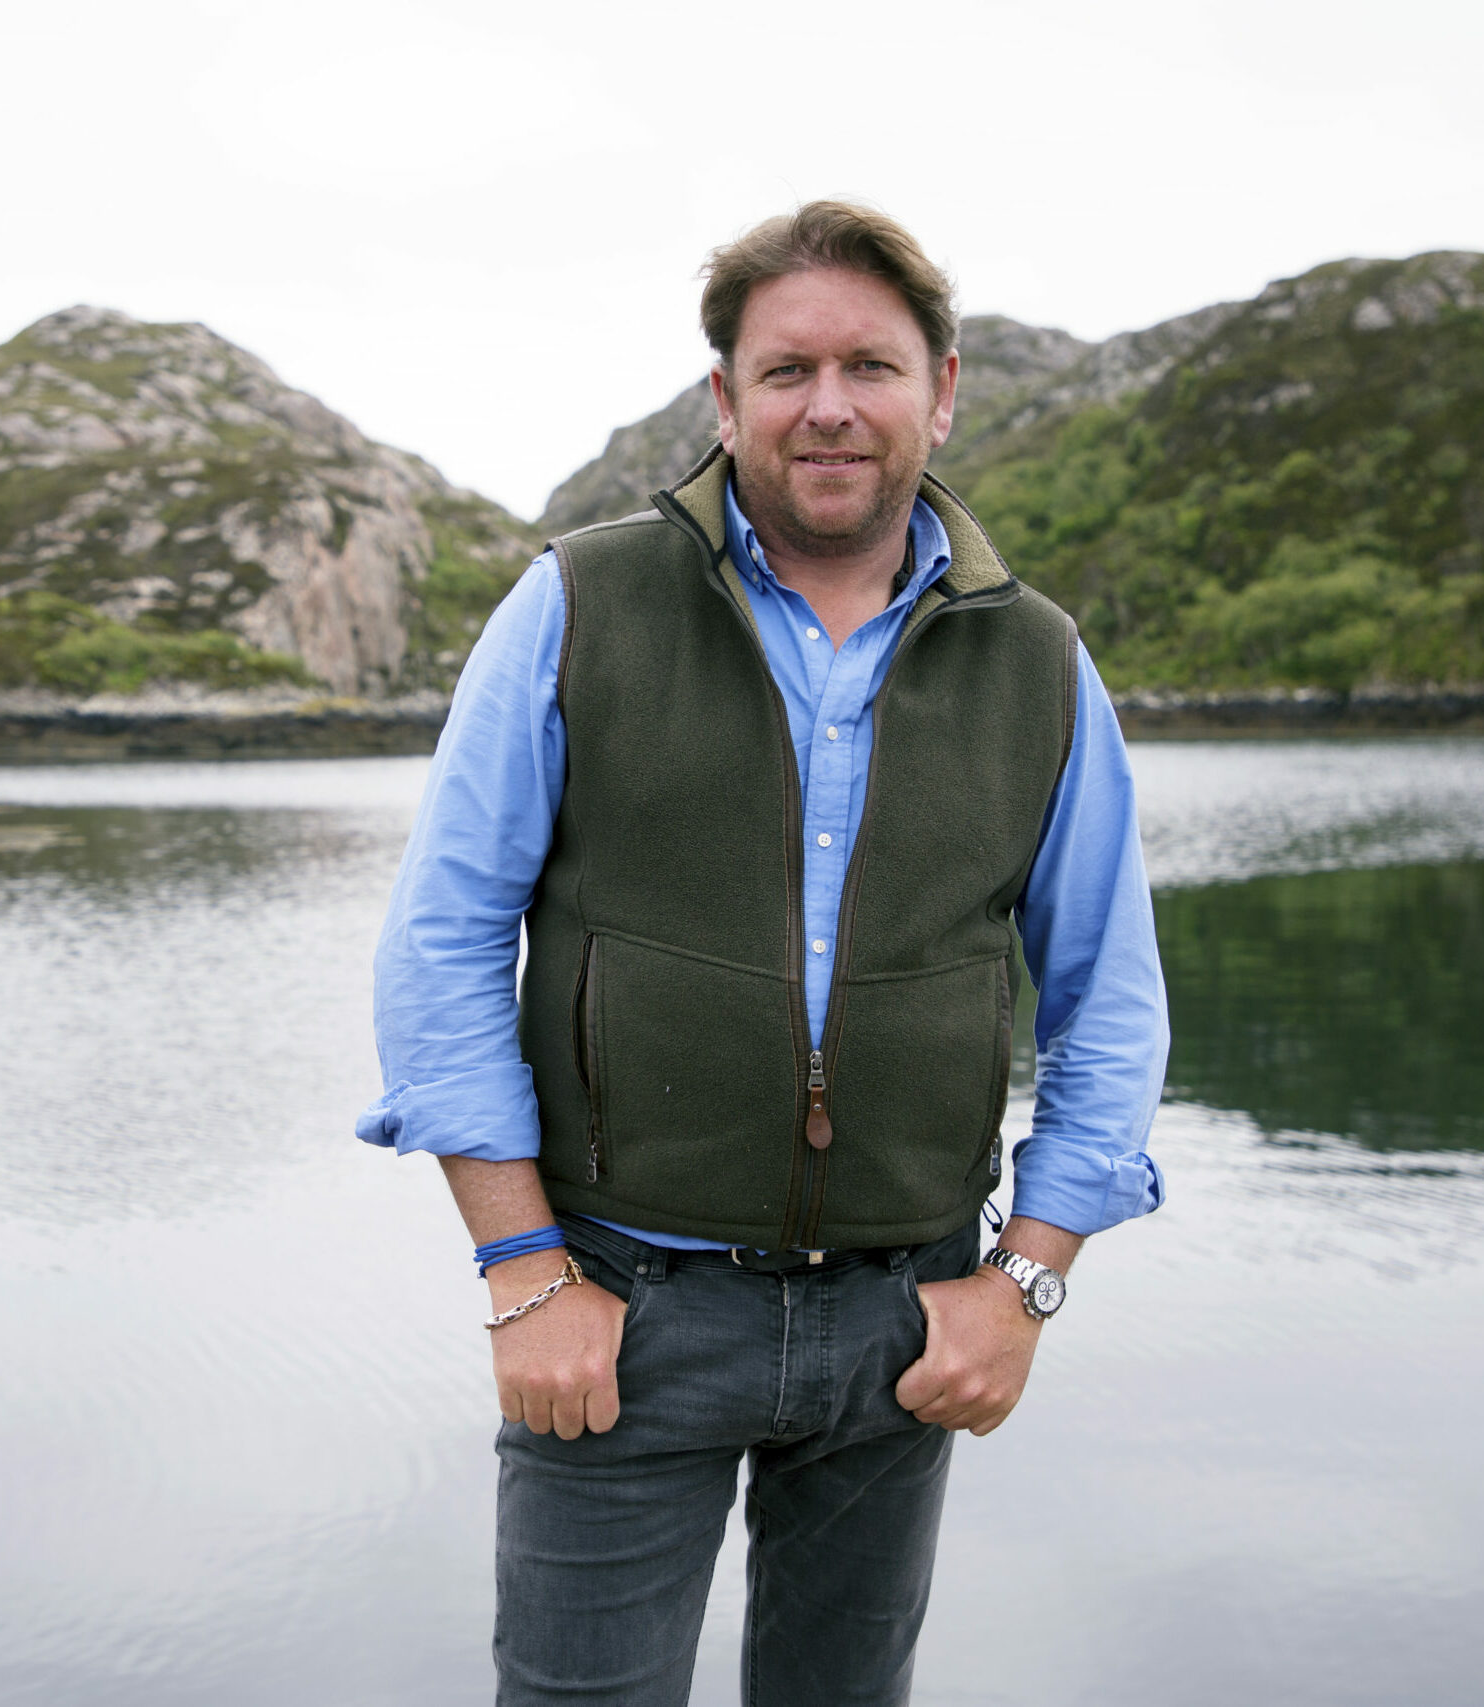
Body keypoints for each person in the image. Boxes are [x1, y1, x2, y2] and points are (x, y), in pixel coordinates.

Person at [358, 201, 1168, 1707]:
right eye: (787, 370)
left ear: (943, 391)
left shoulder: (1039, 660)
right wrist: (524, 1270)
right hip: (618, 1314)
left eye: (873, 364)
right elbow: (445, 944)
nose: (831, 406)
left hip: (905, 1321)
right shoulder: (578, 604)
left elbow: (1109, 996)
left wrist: (1025, 1283)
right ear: (724, 402)